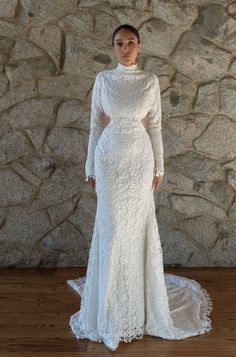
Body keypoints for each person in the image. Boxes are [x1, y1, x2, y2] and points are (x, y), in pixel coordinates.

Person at [66, 24, 213, 351]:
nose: (125, 48)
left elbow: (156, 126)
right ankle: (109, 310)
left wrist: (160, 164)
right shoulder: (103, 80)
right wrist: (89, 164)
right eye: (119, 43)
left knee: (134, 229)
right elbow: (94, 125)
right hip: (108, 160)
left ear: (140, 46)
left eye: (131, 43)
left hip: (139, 161)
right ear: (113, 47)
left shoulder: (149, 81)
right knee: (112, 228)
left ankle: (137, 309)